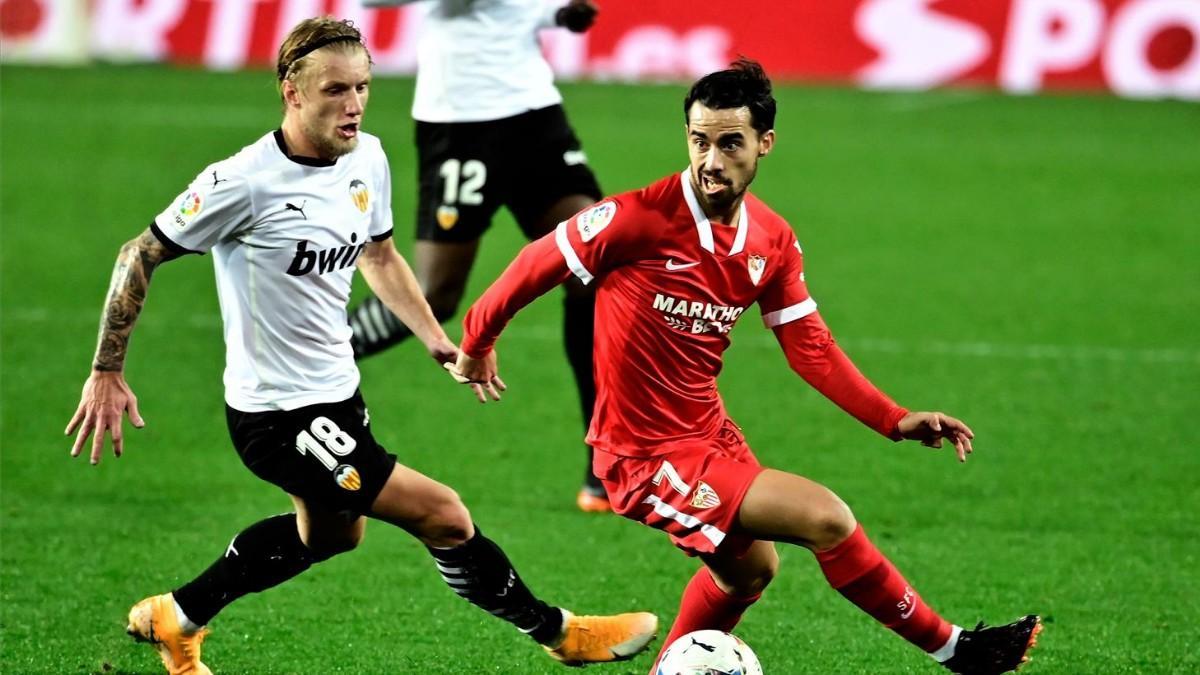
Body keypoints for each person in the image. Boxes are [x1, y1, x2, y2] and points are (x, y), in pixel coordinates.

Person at [63, 17, 656, 674]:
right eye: (336, 91)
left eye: (363, 88)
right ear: (291, 91)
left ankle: (178, 616)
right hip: (275, 414)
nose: (354, 105)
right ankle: (561, 632)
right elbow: (138, 253)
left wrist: (435, 337)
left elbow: (380, 253)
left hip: (337, 395)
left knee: (332, 536)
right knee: (444, 515)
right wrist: (106, 369)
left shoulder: (366, 156)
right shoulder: (242, 181)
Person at [448, 59, 1043, 674]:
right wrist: (478, 339)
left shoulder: (772, 240)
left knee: (751, 571)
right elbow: (534, 263)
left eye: (730, 143)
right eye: (699, 140)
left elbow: (810, 346)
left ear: (764, 143)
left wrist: (894, 419)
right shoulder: (636, 219)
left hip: (709, 433)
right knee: (826, 518)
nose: (711, 159)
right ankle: (957, 650)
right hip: (643, 454)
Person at [354, 0, 610, 512]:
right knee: (435, 295)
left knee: (595, 266)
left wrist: (561, 13)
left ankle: (605, 458)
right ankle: (320, 350)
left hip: (534, 115)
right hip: (458, 121)